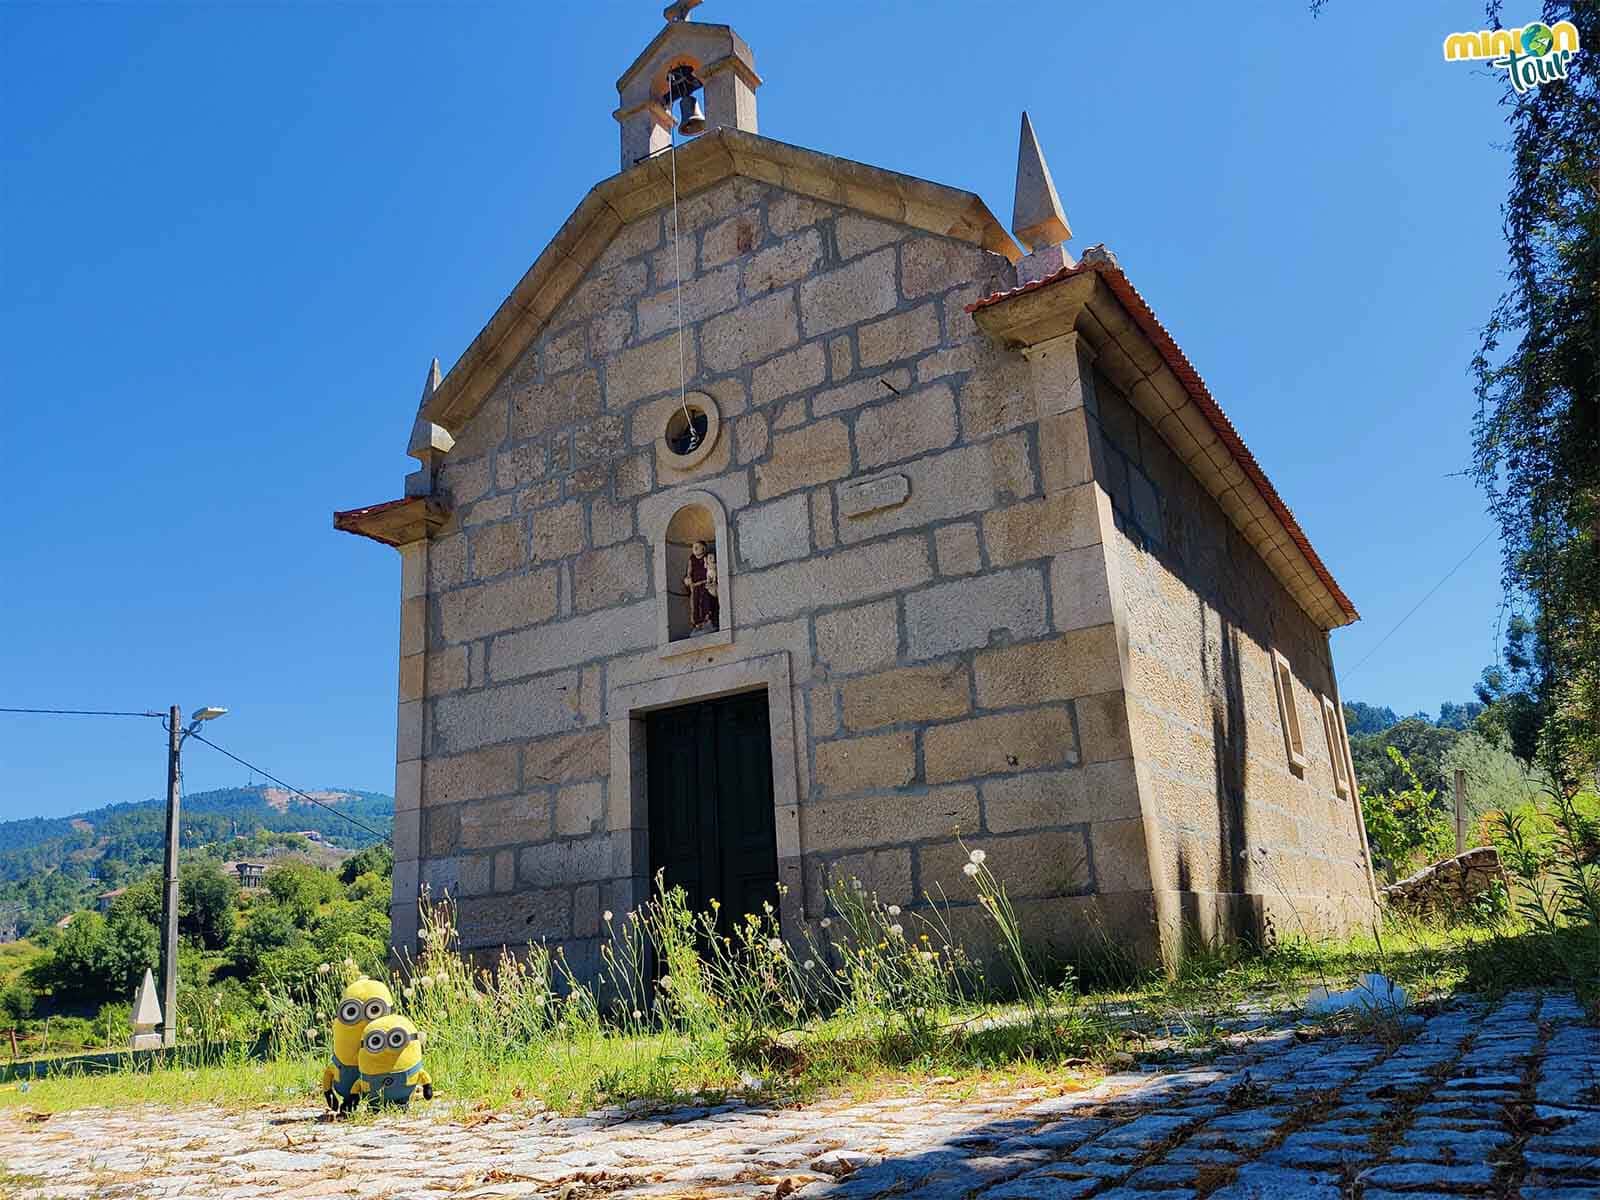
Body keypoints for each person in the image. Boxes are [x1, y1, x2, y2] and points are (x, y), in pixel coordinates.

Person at [684, 540, 719, 632]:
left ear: (703, 548)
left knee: (706, 603)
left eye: (697, 547)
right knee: (695, 605)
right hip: (695, 586)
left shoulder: (708, 558)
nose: (694, 549)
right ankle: (697, 624)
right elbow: (688, 573)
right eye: (693, 547)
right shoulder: (691, 559)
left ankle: (708, 621)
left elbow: (712, 570)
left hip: (705, 584)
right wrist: (687, 579)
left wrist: (712, 580)